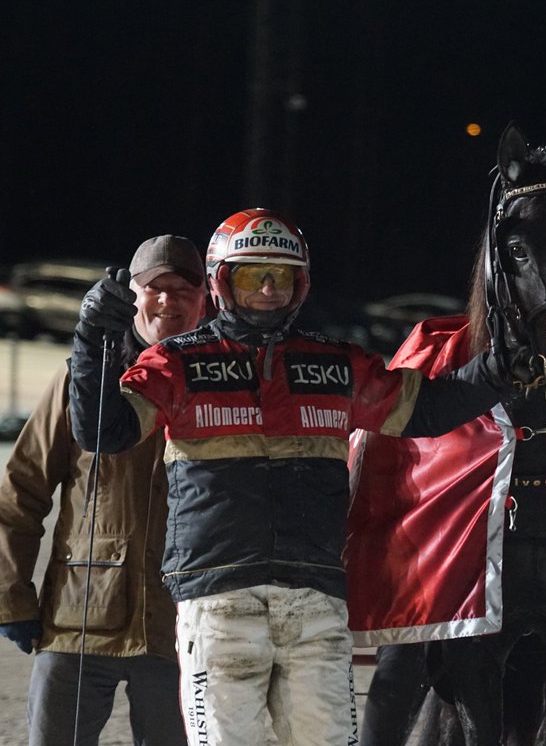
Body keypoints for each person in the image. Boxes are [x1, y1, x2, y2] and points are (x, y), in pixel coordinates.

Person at [66, 209, 512, 746]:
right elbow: (103, 431)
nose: (270, 289)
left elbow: (427, 411)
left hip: (313, 598)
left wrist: (504, 366)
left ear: (303, 285)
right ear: (221, 282)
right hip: (218, 598)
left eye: (283, 276)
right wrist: (92, 338)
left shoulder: (337, 364)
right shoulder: (175, 363)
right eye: (254, 275)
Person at [0, 235, 207, 746]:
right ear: (131, 294)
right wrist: (10, 599)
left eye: (183, 287)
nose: (169, 300)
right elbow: (20, 490)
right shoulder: (83, 379)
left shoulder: (220, 384)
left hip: (180, 628)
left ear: (205, 297)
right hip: (79, 616)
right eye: (155, 287)